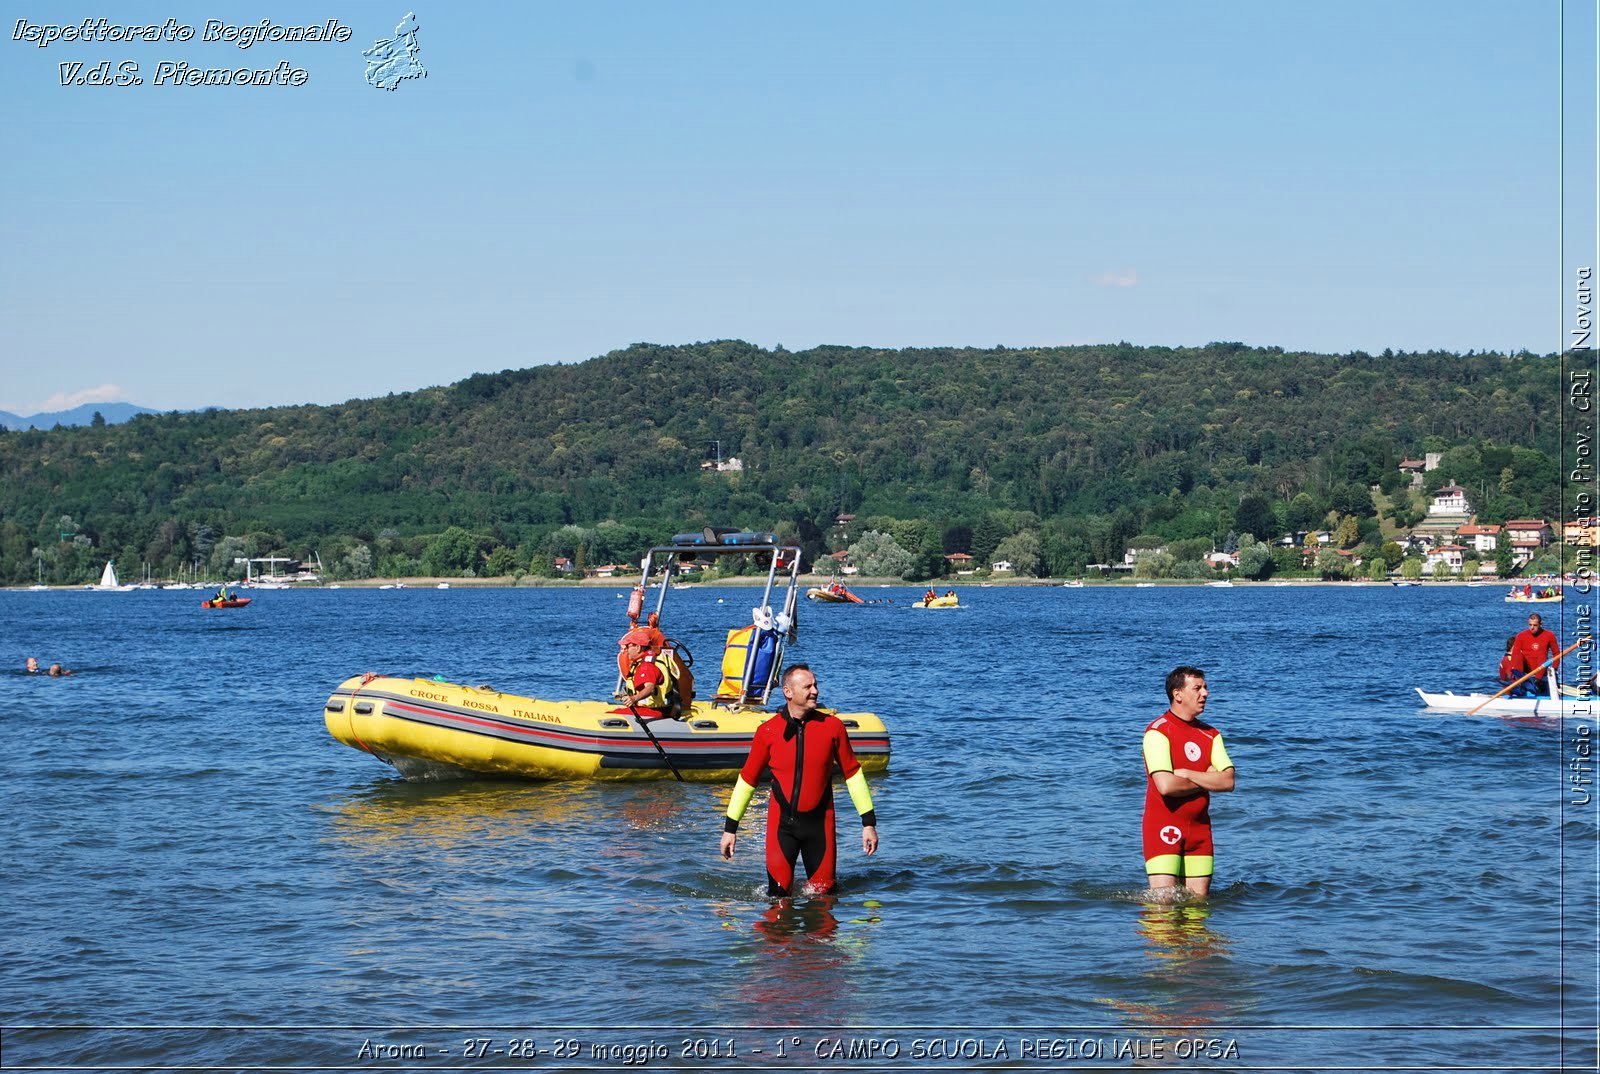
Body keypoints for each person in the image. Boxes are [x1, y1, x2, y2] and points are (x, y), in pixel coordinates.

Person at [720, 663, 879, 896]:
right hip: (782, 827)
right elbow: (748, 780)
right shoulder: (768, 732)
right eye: (807, 686)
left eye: (815, 685)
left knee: (823, 899)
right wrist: (730, 829)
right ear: (788, 692)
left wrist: (868, 824)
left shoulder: (832, 728)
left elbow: (853, 774)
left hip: (820, 826)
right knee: (778, 900)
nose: (815, 691)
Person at [1142, 665, 1235, 897]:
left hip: (1200, 831)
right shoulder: (1158, 731)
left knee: (1198, 910)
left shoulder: (1211, 734)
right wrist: (1207, 777)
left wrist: (1188, 774)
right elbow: (1166, 785)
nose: (1205, 693)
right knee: (1163, 910)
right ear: (1178, 694)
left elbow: (1228, 781)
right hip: (1164, 828)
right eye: (1198, 688)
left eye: (1205, 687)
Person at [616, 628, 667, 717]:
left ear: (638, 647)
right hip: (657, 709)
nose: (626, 650)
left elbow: (650, 688)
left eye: (628, 646)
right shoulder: (651, 659)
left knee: (613, 715)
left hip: (652, 711)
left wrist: (634, 698)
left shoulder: (646, 666)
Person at [1510, 612, 1561, 696]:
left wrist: (1554, 669)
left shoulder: (1549, 635)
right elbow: (1515, 656)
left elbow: (1556, 654)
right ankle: (1520, 682)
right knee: (1518, 655)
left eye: (1535, 625)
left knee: (1542, 654)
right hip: (1526, 670)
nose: (1532, 628)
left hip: (1541, 669)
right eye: (1530, 625)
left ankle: (1537, 682)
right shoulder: (1521, 636)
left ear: (1541, 624)